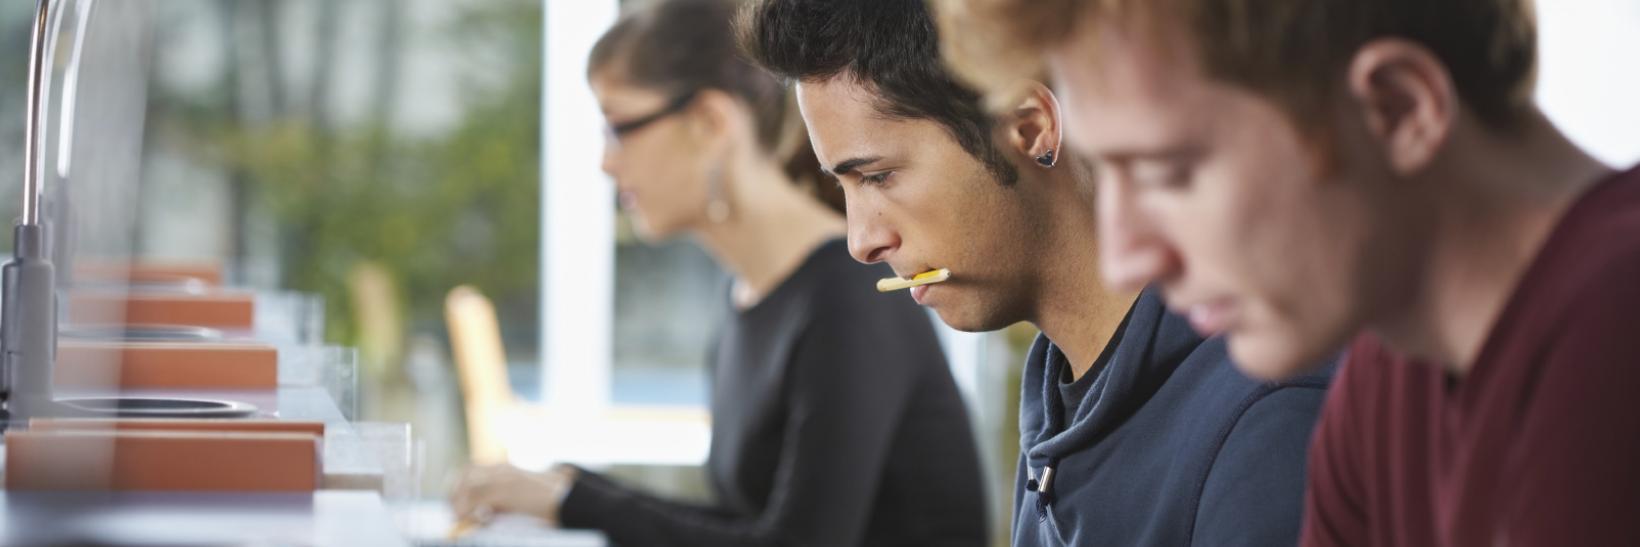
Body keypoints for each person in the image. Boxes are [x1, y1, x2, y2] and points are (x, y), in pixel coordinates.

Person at [934, 0, 1640, 544]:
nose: (1125, 255)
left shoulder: (1611, 336)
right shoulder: (1385, 379)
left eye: (1168, 173)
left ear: (1396, 109)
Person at [738, 1, 1333, 545]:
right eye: (841, 186)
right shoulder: (1058, 402)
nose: (862, 241)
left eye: (878, 177)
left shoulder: (1269, 424)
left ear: (1029, 128)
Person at [449, 1, 988, 545]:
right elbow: (747, 524)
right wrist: (568, 487)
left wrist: (574, 501)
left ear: (710, 122)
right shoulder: (747, 294)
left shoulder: (851, 295)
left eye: (619, 127)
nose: (605, 162)